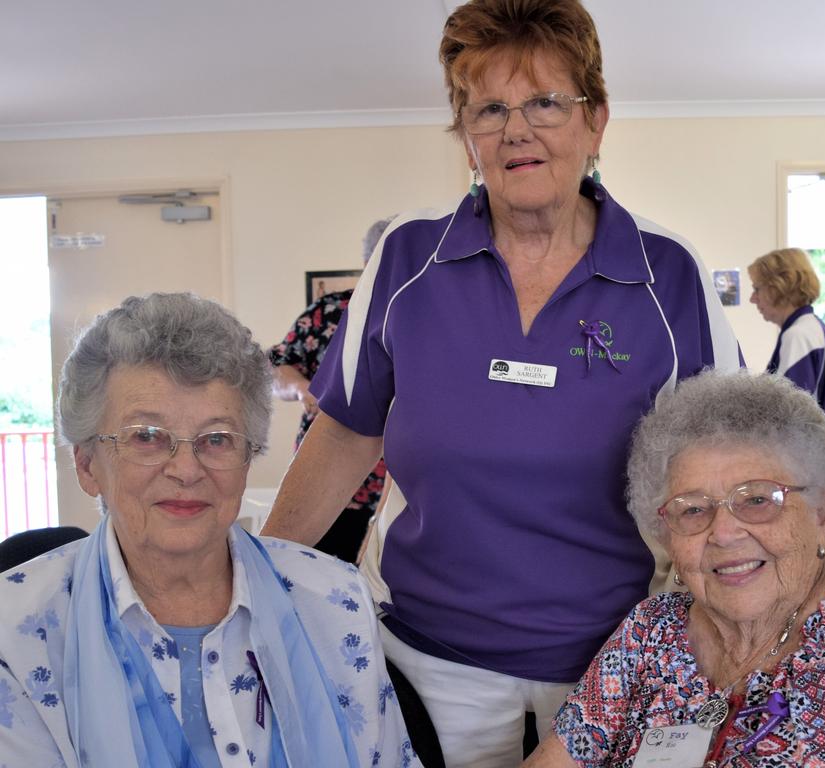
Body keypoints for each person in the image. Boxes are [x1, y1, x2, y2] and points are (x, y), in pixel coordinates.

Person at [261, 1, 740, 765]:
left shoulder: (668, 271)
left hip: (616, 658)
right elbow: (349, 429)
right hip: (427, 654)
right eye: (489, 108)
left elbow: (729, 460)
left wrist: (735, 624)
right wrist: (256, 584)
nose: (518, 129)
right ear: (467, 134)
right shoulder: (408, 256)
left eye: (546, 101)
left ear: (596, 119)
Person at [0, 293, 419, 768]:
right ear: (86, 464)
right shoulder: (12, 633)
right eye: (146, 436)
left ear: (247, 457)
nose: (186, 469)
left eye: (216, 439)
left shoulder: (334, 598)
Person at [524, 371, 825, 768]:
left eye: (758, 499)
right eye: (693, 509)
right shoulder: (650, 633)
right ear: (666, 536)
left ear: (824, 512)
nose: (723, 532)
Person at [268, 216, 394, 563]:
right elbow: (276, 367)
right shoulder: (330, 311)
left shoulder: (432, 315)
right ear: (368, 264)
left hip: (403, 492)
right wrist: (302, 390)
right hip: (332, 487)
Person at [748, 247, 825, 437]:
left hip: (808, 460)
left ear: (779, 287)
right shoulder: (817, 329)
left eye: (757, 289)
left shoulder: (798, 336)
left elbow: (786, 416)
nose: (752, 299)